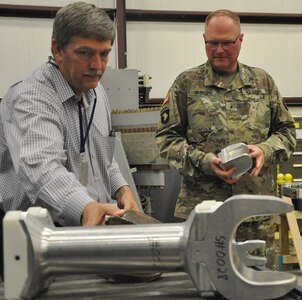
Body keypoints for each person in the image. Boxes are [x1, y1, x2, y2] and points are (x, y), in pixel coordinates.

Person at [155, 9, 296, 268]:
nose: (219, 50)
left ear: (240, 40)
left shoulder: (262, 82)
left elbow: (287, 132)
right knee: (206, 281)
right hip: (205, 212)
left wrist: (265, 150)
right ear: (204, 40)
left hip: (254, 214)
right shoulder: (186, 84)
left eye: (227, 42)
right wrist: (205, 162)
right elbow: (166, 139)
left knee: (258, 281)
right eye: (212, 43)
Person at [0, 1, 140, 229]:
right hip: (36, 235)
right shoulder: (31, 99)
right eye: (85, 53)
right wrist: (85, 208)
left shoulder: (96, 92)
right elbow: (42, 168)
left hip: (86, 227)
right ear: (57, 49)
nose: (97, 65)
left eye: (104, 54)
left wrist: (121, 189)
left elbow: (102, 153)